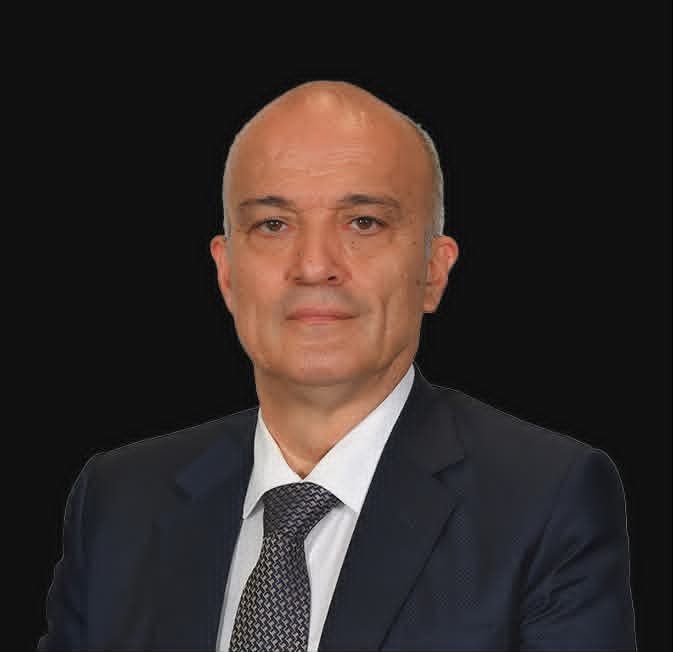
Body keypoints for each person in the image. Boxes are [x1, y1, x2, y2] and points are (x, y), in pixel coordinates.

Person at [38, 80, 637, 651]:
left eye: (363, 223)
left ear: (433, 270)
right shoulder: (117, 501)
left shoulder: (546, 500)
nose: (314, 265)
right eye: (273, 224)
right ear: (226, 272)